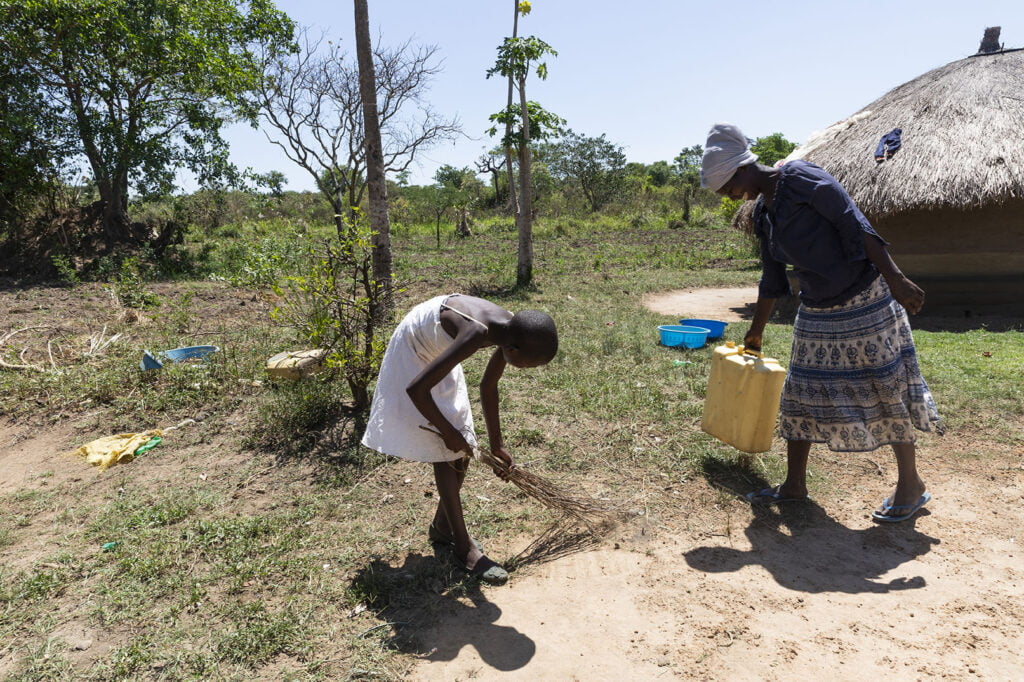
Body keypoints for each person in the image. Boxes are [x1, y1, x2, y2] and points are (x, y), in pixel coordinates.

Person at [700, 123, 943, 523]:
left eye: (727, 187)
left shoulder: (802, 179)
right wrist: (756, 329)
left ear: (742, 169)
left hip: (864, 298)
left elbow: (856, 225)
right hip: (816, 308)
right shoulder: (764, 212)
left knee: (883, 388)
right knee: (800, 393)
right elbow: (772, 276)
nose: (729, 196)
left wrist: (896, 278)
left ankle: (910, 485)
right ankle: (794, 484)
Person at [361, 294, 558, 583]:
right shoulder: (478, 332)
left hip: (440, 347)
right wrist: (447, 432)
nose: (528, 371)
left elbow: (488, 386)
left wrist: (497, 445)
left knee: (460, 448)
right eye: (529, 366)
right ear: (513, 349)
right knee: (447, 450)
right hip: (416, 347)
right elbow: (417, 390)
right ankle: (463, 547)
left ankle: (443, 528)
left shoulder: (511, 329)